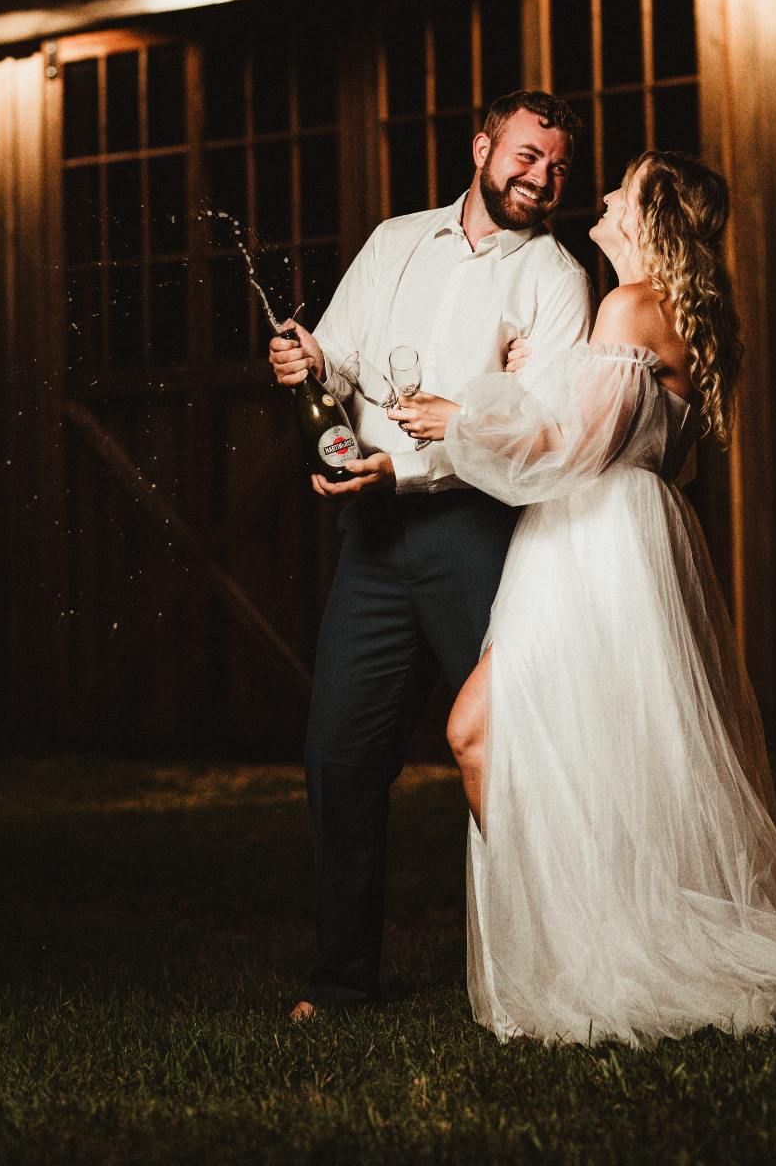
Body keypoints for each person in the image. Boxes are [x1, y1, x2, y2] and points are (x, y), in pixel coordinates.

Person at [389, 150, 776, 1045]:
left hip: (592, 541)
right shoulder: (666, 315)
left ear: (651, 217)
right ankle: (579, 932)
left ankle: (586, 948)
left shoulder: (628, 306)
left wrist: (461, 420)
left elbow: (574, 453)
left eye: (623, 187)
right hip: (623, 539)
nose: (605, 195)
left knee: (480, 731)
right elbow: (619, 436)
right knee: (572, 749)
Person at [268, 91, 593, 1021]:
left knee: (511, 750)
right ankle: (342, 983)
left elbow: (538, 429)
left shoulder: (556, 277)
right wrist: (306, 359)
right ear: (483, 146)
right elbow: (340, 356)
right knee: (340, 756)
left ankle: (555, 970)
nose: (544, 177)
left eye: (560, 166)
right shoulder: (395, 239)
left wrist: (408, 472)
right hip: (371, 547)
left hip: (475, 536)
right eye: (529, 155)